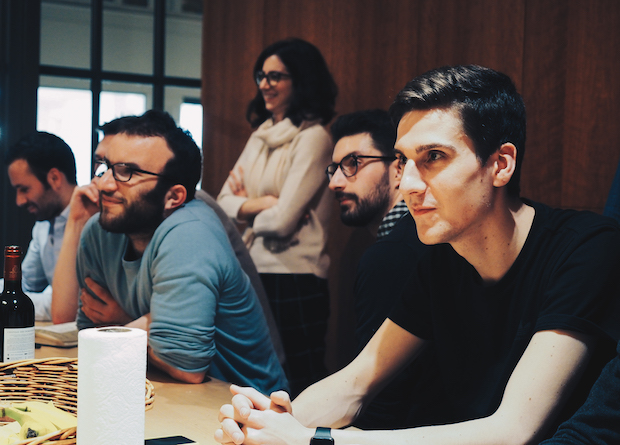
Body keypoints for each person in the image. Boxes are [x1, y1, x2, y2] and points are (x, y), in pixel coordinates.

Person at [214, 65, 620, 445]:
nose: (407, 183)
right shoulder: (442, 257)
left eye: (433, 157)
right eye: (403, 160)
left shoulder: (586, 247)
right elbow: (354, 384)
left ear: (500, 164)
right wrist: (272, 421)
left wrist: (315, 440)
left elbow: (514, 429)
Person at [59, 110, 287, 393]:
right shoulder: (100, 230)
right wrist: (143, 327)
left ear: (174, 197)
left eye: (127, 172)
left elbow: (185, 366)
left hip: (243, 403)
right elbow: (90, 334)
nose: (103, 184)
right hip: (154, 388)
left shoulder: (190, 231)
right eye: (105, 167)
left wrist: (120, 323)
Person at [217, 38, 338, 396]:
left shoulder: (314, 138)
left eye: (276, 76)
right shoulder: (261, 135)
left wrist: (248, 207)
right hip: (256, 267)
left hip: (296, 274)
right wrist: (264, 203)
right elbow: (222, 202)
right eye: (262, 76)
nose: (265, 84)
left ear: (301, 80)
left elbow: (282, 222)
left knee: (300, 376)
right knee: (262, 376)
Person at [327, 109, 429, 429]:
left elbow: (381, 394)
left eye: (353, 163)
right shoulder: (403, 240)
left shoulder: (394, 253)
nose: (335, 182)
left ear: (398, 169)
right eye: (334, 169)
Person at [4, 132, 77, 320]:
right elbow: (23, 285)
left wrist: (11, 302)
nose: (19, 201)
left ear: (54, 178)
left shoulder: (96, 222)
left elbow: (76, 306)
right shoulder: (42, 227)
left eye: (24, 189)